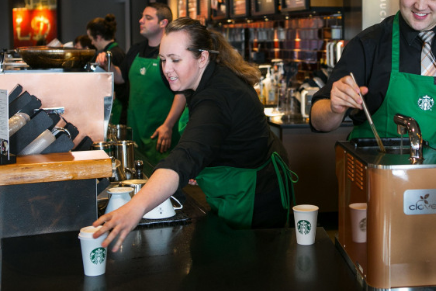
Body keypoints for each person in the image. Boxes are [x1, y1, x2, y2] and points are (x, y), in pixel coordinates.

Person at [93, 17, 297, 252]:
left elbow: (186, 156)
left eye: (175, 60)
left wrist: (135, 208)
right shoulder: (202, 78)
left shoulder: (217, 98)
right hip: (229, 186)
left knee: (246, 267)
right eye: (163, 59)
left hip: (253, 196)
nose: (166, 69)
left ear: (203, 57)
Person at [310, 0, 436, 147]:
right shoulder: (367, 44)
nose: (420, 5)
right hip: (378, 166)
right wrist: (333, 108)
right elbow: (318, 122)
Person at [96, 3, 186, 164]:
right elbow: (120, 77)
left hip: (161, 132)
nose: (140, 20)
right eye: (142, 17)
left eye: (148, 18)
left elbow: (182, 93)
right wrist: (106, 64)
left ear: (163, 23)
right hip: (135, 128)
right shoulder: (136, 49)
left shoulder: (172, 53)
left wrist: (168, 125)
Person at [87, 14, 128, 125]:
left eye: (91, 39)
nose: (92, 43)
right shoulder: (114, 51)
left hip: (117, 109)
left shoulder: (112, 55)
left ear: (98, 37)